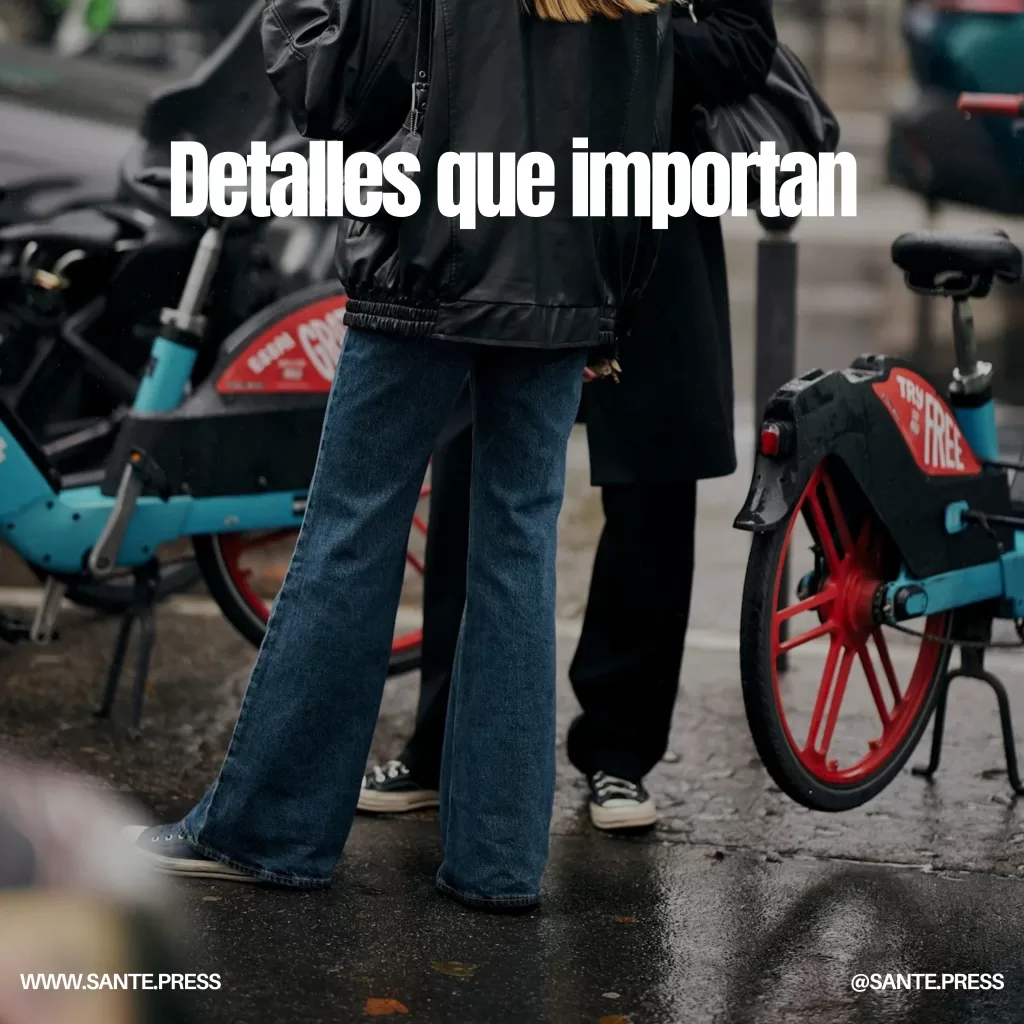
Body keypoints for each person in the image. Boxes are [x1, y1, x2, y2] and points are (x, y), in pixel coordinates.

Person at [127, 0, 674, 913]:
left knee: (352, 524)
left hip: (431, 252)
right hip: (569, 270)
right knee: (517, 548)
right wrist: (612, 300)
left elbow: (335, 82)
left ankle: (271, 830)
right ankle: (498, 861)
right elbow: (647, 136)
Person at [360, 0, 778, 831]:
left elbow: (743, 44)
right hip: (511, 203)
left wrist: (603, 35)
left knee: (650, 484)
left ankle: (619, 756)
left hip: (650, 211)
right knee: (474, 469)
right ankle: (442, 743)